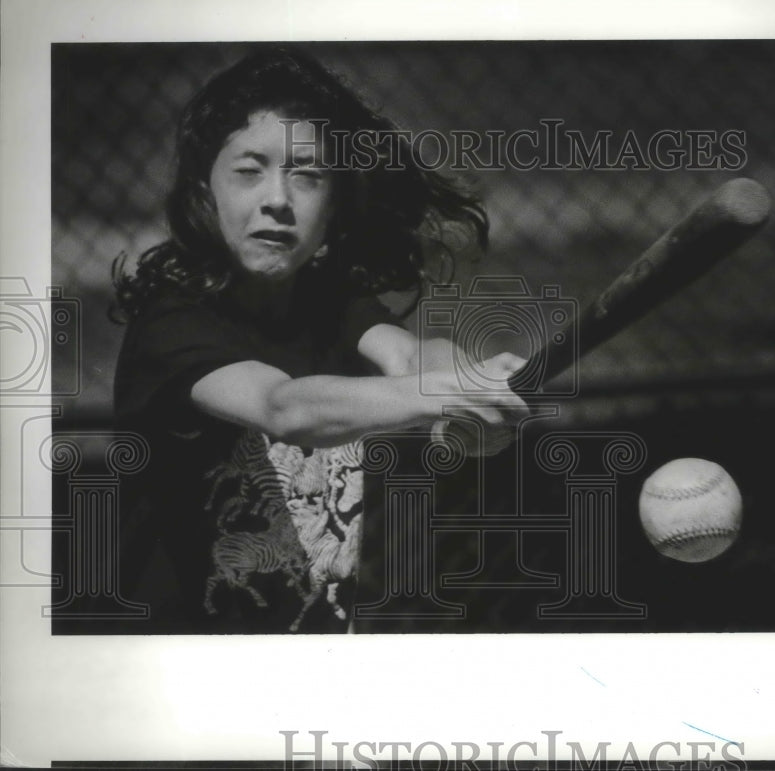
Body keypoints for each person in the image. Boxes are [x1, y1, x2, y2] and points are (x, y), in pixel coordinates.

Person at [112, 48, 527, 633]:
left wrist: (467, 382)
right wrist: (444, 396)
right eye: (249, 170)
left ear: (334, 208)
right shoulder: (174, 323)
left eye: (307, 175)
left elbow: (410, 357)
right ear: (205, 192)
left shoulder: (330, 304)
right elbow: (284, 408)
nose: (278, 199)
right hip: (175, 673)